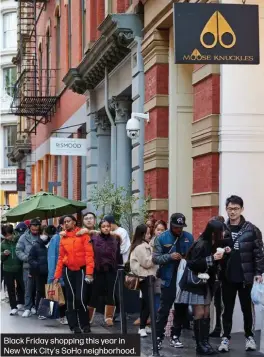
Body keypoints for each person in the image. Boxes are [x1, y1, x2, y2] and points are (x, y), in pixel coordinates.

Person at [218, 195, 264, 353]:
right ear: (226, 209)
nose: (232, 212)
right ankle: (225, 338)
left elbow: (259, 253)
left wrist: (259, 272)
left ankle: (249, 337)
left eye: (236, 209)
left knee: (247, 309)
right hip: (227, 276)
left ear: (242, 209)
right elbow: (215, 250)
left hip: (246, 276)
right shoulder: (221, 230)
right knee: (227, 309)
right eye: (230, 209)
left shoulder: (252, 229)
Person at [177, 220, 226, 355]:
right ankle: (200, 345)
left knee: (205, 312)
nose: (222, 234)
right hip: (196, 283)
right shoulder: (202, 243)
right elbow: (192, 263)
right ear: (214, 232)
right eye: (220, 232)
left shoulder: (210, 242)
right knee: (200, 312)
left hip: (204, 283)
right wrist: (211, 259)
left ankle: (205, 342)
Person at [153, 213, 194, 349]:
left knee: (181, 309)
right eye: (176, 227)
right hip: (168, 278)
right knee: (164, 309)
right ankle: (158, 337)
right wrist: (169, 257)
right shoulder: (162, 238)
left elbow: (193, 256)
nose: (179, 230)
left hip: (184, 278)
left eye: (181, 227)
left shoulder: (189, 237)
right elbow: (155, 258)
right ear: (171, 225)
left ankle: (175, 336)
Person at [54, 215, 94, 333]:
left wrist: (89, 273)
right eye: (65, 222)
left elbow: (89, 255)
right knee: (70, 299)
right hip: (68, 270)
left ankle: (85, 324)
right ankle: (74, 326)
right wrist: (57, 275)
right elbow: (61, 258)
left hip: (81, 270)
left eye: (69, 221)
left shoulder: (83, 235)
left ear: (74, 222)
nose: (66, 223)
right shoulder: (63, 237)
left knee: (80, 298)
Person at [88, 219, 121, 327]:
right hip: (98, 270)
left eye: (108, 226)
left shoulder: (115, 239)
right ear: (100, 228)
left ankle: (109, 317)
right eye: (103, 226)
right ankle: (88, 318)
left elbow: (118, 254)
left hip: (111, 270)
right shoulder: (94, 238)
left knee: (110, 293)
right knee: (94, 294)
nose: (106, 228)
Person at [130, 224, 157, 337]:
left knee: (146, 302)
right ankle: (142, 327)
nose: (149, 235)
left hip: (146, 277)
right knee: (147, 302)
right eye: (147, 233)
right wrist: (156, 255)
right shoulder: (141, 247)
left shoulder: (142, 246)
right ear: (142, 234)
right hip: (145, 277)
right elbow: (146, 263)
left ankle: (144, 326)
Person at [16, 218, 41, 317]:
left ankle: (35, 306)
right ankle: (27, 307)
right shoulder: (23, 237)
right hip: (28, 266)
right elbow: (18, 250)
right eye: (33, 229)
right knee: (28, 288)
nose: (35, 231)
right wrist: (26, 258)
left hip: (39, 266)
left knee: (38, 288)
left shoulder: (41, 236)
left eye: (36, 230)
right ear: (29, 227)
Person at [47, 216, 67, 325]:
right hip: (59, 273)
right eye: (65, 222)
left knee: (67, 296)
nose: (68, 224)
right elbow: (52, 257)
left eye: (70, 222)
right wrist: (53, 275)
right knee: (60, 295)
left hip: (70, 272)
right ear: (61, 225)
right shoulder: (56, 238)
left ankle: (65, 315)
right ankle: (61, 316)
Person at [1, 225, 24, 315]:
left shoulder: (18, 240)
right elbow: (1, 257)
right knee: (10, 288)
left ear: (12, 233)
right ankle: (13, 307)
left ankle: (21, 303)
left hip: (19, 267)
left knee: (21, 286)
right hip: (7, 269)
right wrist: (3, 254)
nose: (8, 237)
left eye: (9, 234)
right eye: (6, 235)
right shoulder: (3, 244)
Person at [28, 226, 50, 318]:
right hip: (40, 273)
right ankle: (40, 311)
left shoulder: (51, 244)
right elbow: (30, 259)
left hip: (50, 272)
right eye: (43, 233)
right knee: (41, 292)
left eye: (46, 233)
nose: (44, 235)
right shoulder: (35, 245)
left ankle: (49, 311)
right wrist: (38, 265)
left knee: (50, 292)